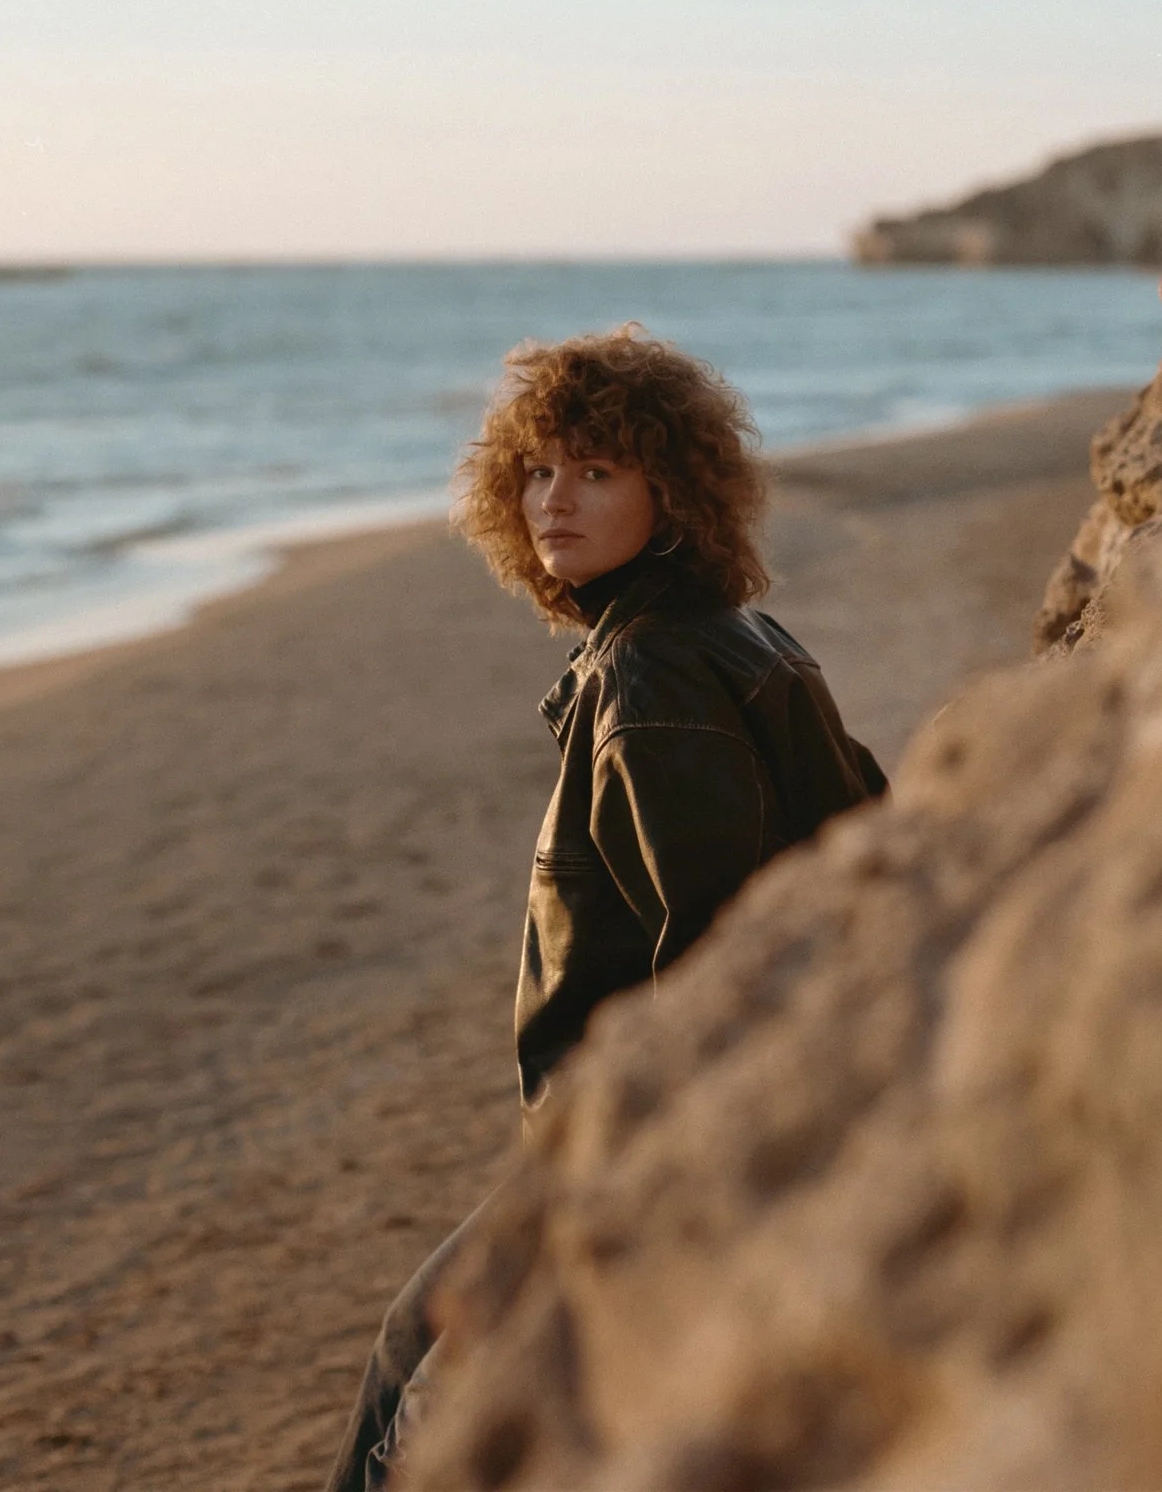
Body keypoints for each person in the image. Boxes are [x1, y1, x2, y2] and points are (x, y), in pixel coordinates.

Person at [320, 326, 888, 1492]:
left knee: (415, 1389)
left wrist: (647, 1175)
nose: (552, 502)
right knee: (410, 1345)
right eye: (536, 470)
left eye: (595, 472)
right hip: (668, 1122)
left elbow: (721, 945)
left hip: (636, 1143)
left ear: (670, 489)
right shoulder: (728, 635)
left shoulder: (650, 674)